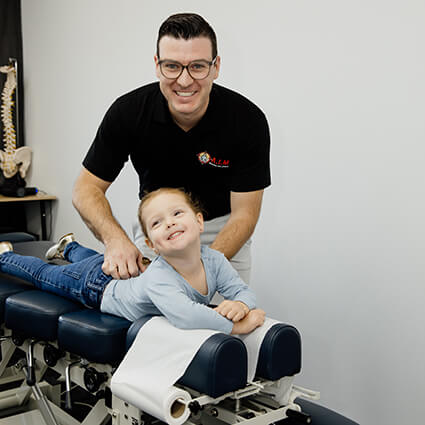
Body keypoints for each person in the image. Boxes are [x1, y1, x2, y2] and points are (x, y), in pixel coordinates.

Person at [72, 13, 271, 283]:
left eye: (198, 66)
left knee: (221, 320)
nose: (185, 80)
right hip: (157, 233)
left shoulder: (247, 121)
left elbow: (244, 215)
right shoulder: (127, 112)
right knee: (143, 321)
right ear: (157, 65)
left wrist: (202, 271)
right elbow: (86, 189)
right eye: (172, 66)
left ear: (216, 67)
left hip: (221, 234)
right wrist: (116, 240)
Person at [0, 188, 265, 335]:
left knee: (93, 259)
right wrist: (236, 325)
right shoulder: (160, 276)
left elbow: (242, 291)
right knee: (45, 275)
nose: (169, 222)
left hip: (117, 274)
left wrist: (241, 303)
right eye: (157, 222)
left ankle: (70, 247)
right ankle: (6, 256)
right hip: (95, 288)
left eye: (176, 213)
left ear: (198, 222)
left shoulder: (215, 260)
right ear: (151, 244)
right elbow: (186, 315)